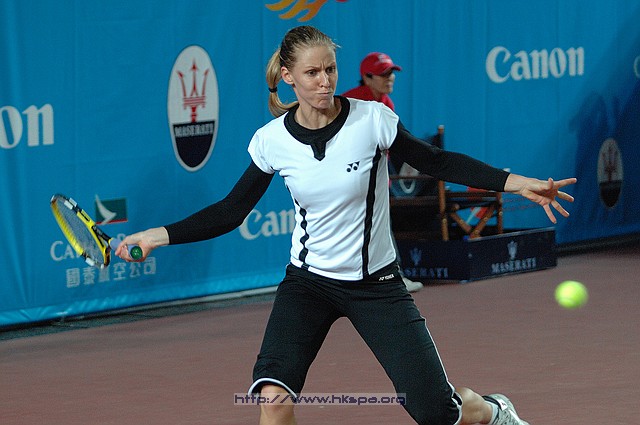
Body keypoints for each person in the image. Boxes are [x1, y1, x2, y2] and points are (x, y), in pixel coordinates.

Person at [116, 25, 576, 425]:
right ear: (288, 77)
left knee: (436, 413)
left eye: (330, 70)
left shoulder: (372, 120)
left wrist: (518, 184)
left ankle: (492, 410)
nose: (325, 81)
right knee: (273, 397)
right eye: (312, 73)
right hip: (308, 284)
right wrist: (157, 236)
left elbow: (436, 162)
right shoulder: (271, 141)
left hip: (376, 285)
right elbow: (230, 211)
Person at [342, 51, 424, 293]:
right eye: (383, 74)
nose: (390, 78)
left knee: (379, 228)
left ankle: (391, 277)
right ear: (367, 78)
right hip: (349, 179)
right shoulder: (350, 102)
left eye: (391, 73)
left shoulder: (386, 103)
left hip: (375, 178)